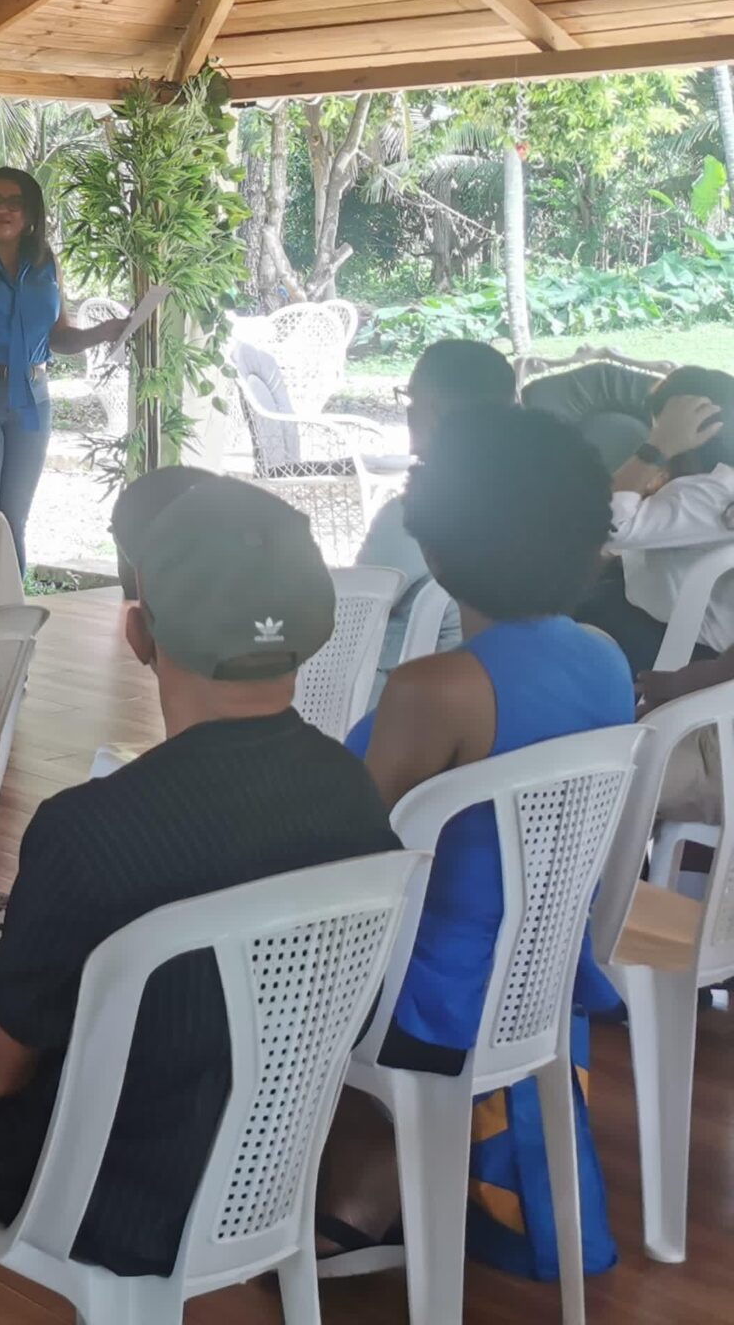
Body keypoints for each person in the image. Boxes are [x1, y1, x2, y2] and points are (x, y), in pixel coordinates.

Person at [0, 473, 397, 1324]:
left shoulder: (93, 829)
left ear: (136, 631)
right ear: (315, 631)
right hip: (262, 1166)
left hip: (98, 1190)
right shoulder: (355, 794)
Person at [323, 403, 635, 1255]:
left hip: (427, 1000)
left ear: (433, 546)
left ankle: (269, 1189)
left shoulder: (437, 689)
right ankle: (373, 1178)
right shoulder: (603, 655)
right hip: (534, 977)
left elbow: (343, 847)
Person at [0, 168, 148, 576]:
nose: (2, 208)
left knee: (13, 520)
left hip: (33, 399)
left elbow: (59, 337)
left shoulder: (45, 263)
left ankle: (11, 624)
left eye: (14, 202)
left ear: (31, 213)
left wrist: (101, 333)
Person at [357, 338, 517, 676]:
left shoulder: (409, 516)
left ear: (433, 412)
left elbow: (348, 618)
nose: (408, 411)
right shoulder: (548, 502)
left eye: (411, 398)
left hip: (396, 700)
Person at [575, 365, 734, 674]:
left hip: (684, 646)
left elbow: (603, 521)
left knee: (558, 612)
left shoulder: (708, 492)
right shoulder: (717, 484)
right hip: (691, 631)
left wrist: (657, 447)